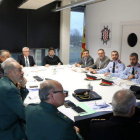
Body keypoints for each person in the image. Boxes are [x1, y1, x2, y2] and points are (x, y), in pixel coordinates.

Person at [0, 61, 29, 140]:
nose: (22, 72)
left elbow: (17, 101)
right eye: (20, 70)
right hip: (8, 129)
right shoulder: (9, 88)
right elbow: (23, 113)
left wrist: (23, 88)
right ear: (11, 72)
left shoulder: (4, 81)